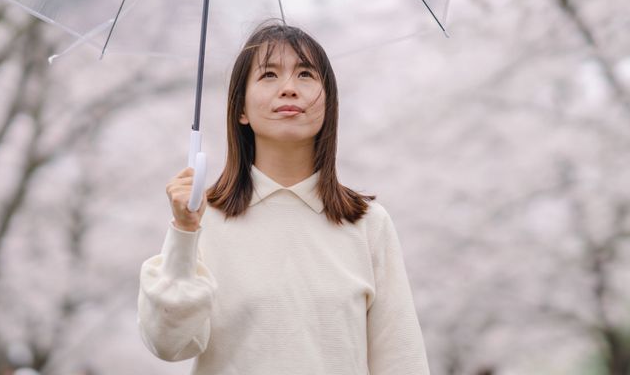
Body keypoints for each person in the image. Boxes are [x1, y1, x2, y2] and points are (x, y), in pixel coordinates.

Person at [137, 22, 430, 374]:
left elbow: (401, 359)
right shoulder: (203, 220)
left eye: (305, 74)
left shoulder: (368, 223)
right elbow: (170, 344)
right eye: (269, 75)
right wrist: (184, 233)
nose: (289, 89)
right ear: (240, 109)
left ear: (329, 104)